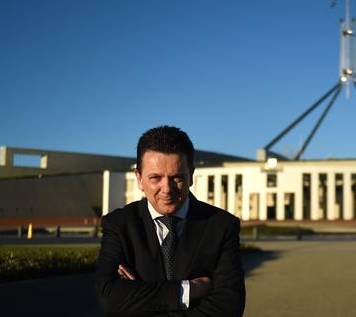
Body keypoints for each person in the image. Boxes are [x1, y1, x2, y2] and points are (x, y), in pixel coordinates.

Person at [95, 126, 245, 316]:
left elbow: (228, 308)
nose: (167, 189)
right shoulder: (119, 225)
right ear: (139, 178)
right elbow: (109, 300)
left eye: (176, 177)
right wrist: (188, 290)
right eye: (155, 178)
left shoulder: (222, 226)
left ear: (191, 176)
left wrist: (139, 300)